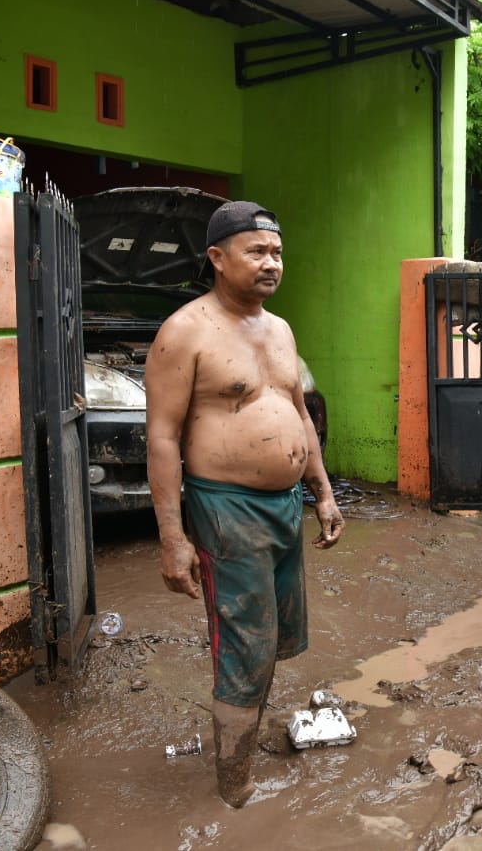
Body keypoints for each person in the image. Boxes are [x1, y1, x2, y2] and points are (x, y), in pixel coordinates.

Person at [145, 201, 344, 808]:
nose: (271, 263)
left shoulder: (279, 329)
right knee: (244, 645)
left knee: (275, 637)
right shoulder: (185, 331)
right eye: (256, 251)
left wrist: (323, 492)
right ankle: (235, 788)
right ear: (217, 258)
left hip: (284, 504)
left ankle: (244, 750)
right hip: (226, 510)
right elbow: (161, 437)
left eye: (277, 252)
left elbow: (299, 414)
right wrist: (173, 538)